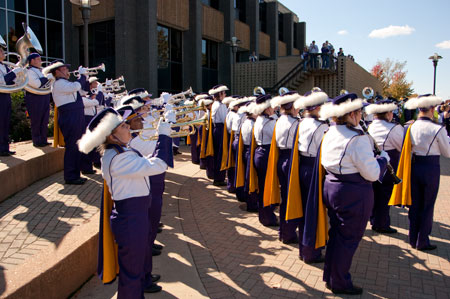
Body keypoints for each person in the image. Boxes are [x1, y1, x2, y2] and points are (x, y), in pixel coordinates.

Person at [78, 107, 172, 297]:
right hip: (131, 218)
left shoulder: (122, 151)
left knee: (134, 271)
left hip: (135, 215)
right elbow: (159, 165)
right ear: (111, 136)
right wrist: (164, 134)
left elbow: (149, 162)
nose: (128, 126)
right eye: (122, 125)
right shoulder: (119, 158)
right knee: (131, 274)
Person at [319, 93, 388, 295]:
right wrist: (382, 160)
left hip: (332, 186)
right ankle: (339, 281)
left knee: (337, 235)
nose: (361, 115)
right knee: (348, 238)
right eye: (358, 111)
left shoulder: (330, 131)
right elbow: (373, 174)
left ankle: (331, 276)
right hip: (353, 191)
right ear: (350, 114)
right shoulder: (357, 139)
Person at [392, 95, 450, 251]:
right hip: (431, 167)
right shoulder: (438, 128)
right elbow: (447, 152)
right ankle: (422, 240)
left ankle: (412, 238)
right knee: (428, 205)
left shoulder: (409, 126)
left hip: (414, 166)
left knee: (415, 204)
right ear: (432, 109)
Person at [288, 90, 329, 264]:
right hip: (314, 168)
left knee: (304, 211)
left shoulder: (300, 122)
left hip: (302, 166)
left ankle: (304, 250)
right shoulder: (322, 126)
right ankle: (311, 252)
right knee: (314, 212)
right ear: (318, 107)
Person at [43, 60, 90, 184]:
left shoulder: (65, 83)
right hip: (70, 116)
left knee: (77, 146)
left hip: (74, 115)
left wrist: (85, 79)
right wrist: (83, 76)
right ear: (57, 72)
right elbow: (76, 86)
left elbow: (82, 90)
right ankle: (70, 176)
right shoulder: (59, 84)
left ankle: (75, 174)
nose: (67, 71)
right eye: (64, 69)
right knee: (72, 147)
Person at [264, 91, 302, 244]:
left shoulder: (278, 120)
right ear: (293, 106)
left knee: (285, 197)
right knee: (291, 198)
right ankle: (288, 233)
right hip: (292, 160)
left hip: (282, 159)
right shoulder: (296, 122)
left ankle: (284, 231)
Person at [366, 100, 403, 234]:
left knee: (375, 193)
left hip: (372, 161)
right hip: (388, 163)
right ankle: (381, 223)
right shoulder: (394, 127)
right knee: (384, 195)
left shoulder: (370, 125)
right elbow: (401, 146)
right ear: (388, 113)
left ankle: (374, 219)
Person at [251, 94, 279, 226]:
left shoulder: (259, 119)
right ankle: (267, 217)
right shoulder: (270, 122)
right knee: (267, 187)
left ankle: (264, 215)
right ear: (267, 108)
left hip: (259, 152)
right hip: (267, 153)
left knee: (263, 187)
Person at [0, 45, 25, 156]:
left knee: (5, 123)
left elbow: (13, 81)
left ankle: (5, 147)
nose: (3, 53)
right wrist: (15, 72)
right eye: (1, 51)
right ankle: (1, 148)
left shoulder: (4, 66)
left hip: (6, 96)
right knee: (1, 123)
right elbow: (2, 81)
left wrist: (19, 73)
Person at [24, 53, 53, 147]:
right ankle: (37, 140)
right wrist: (47, 77)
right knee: (36, 120)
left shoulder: (40, 71)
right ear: (32, 61)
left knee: (44, 120)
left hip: (44, 97)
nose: (40, 61)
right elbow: (36, 84)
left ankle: (43, 139)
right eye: (38, 59)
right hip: (34, 98)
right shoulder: (29, 71)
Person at [209, 84, 229, 186]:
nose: (225, 94)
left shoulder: (216, 104)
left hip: (217, 128)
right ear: (220, 94)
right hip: (220, 129)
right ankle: (219, 178)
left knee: (218, 154)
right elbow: (224, 119)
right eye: (224, 93)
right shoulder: (220, 105)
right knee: (220, 155)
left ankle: (218, 177)